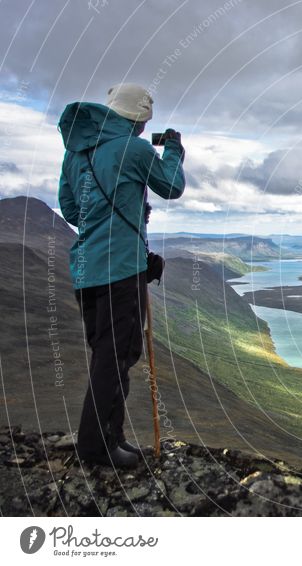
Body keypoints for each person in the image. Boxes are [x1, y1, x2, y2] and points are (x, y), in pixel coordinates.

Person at [57, 83, 185, 468]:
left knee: (107, 354)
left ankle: (112, 439)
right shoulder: (135, 148)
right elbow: (172, 185)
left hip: (87, 271)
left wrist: (110, 216)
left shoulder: (76, 153)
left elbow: (69, 207)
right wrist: (175, 150)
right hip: (119, 273)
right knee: (117, 356)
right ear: (140, 120)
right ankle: (96, 449)